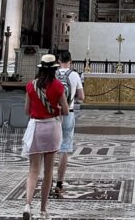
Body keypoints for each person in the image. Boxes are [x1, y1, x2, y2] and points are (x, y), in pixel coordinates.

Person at [23, 54, 68, 220]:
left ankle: (28, 204)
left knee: (33, 170)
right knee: (48, 171)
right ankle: (43, 209)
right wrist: (54, 107)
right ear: (54, 69)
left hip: (35, 128)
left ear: (40, 68)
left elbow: (27, 111)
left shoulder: (30, 85)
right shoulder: (57, 86)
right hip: (51, 128)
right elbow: (64, 110)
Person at [53, 51, 84, 200]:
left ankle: (47, 178)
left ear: (59, 61)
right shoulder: (74, 75)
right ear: (70, 61)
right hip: (68, 113)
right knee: (64, 148)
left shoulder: (52, 74)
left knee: (51, 147)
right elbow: (82, 97)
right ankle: (59, 182)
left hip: (53, 114)